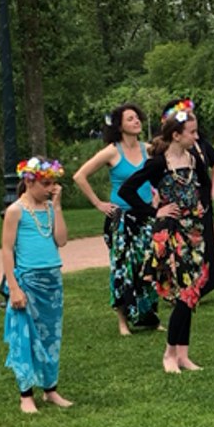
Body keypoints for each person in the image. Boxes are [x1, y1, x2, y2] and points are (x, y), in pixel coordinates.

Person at [118, 99, 210, 373]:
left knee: (192, 291)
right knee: (183, 292)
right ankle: (169, 354)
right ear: (176, 135)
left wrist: (203, 204)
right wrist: (153, 210)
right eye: (192, 133)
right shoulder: (159, 163)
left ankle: (183, 354)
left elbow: (204, 185)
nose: (196, 137)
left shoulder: (194, 159)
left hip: (194, 231)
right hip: (170, 234)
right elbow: (127, 190)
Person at [72, 103, 160, 335]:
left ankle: (150, 316)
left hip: (146, 217)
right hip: (121, 218)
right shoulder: (112, 151)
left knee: (148, 264)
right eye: (130, 119)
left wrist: (157, 194)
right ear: (120, 125)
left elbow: (158, 174)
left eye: (137, 117)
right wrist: (99, 203)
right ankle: (122, 321)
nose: (136, 121)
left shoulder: (148, 150)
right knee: (121, 267)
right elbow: (80, 176)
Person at [1, 157, 73, 414]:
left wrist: (58, 206)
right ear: (29, 181)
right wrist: (14, 288)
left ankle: (50, 389)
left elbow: (61, 240)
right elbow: (7, 250)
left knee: (51, 335)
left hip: (51, 278)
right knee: (26, 337)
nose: (50, 188)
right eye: (45, 183)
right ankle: (26, 394)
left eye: (53, 183)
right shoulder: (16, 211)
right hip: (28, 280)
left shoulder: (50, 208)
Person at [192, 128, 214, 298]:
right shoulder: (173, 145)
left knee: (207, 240)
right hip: (186, 199)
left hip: (204, 199)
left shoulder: (201, 143)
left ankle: (204, 284)